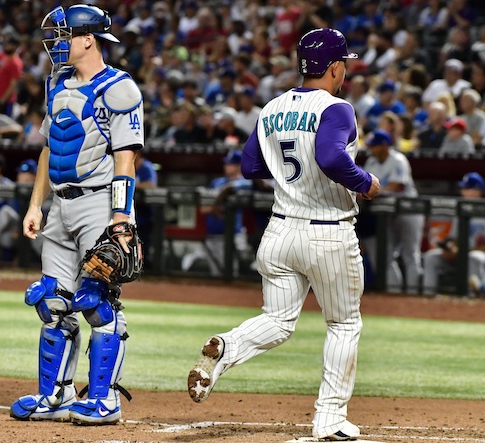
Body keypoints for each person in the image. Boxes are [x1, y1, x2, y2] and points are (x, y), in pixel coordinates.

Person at [187, 28, 381, 441]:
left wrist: (289, 180)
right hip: (328, 231)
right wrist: (365, 181)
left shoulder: (272, 107)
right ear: (334, 67)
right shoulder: (337, 108)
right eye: (344, 62)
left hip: (279, 231)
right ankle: (329, 419)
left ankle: (226, 346)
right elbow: (330, 156)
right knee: (344, 324)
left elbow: (250, 167)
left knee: (277, 320)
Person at [9, 5, 143, 425]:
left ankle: (104, 401)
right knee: (52, 302)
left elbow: (126, 159)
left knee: (97, 303)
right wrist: (36, 204)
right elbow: (50, 148)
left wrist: (121, 217)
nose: (59, 42)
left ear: (89, 39)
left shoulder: (120, 88)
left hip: (100, 203)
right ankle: (56, 396)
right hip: (61, 205)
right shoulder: (58, 83)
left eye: (66, 35)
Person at [360, 129, 424, 293]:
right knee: (387, 255)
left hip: (408, 210)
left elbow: (397, 186)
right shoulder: (371, 162)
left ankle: (413, 294)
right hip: (386, 214)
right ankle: (393, 294)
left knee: (410, 254)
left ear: (384, 146)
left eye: (374, 146)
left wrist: (373, 192)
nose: (371, 149)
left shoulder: (398, 159)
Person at [422, 173, 485, 296]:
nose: (463, 192)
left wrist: (463, 251)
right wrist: (450, 249)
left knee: (474, 257)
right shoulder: (460, 210)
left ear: (477, 191)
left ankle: (474, 296)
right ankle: (427, 296)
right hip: (462, 254)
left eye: (467, 189)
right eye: (463, 189)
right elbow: (454, 238)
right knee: (431, 257)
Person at [181, 149, 253, 276]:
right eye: (226, 163)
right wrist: (217, 207)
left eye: (230, 164)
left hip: (232, 235)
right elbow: (203, 208)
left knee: (231, 273)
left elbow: (226, 200)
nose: (226, 166)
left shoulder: (245, 182)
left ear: (239, 166)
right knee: (215, 274)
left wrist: (216, 206)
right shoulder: (217, 182)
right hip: (213, 234)